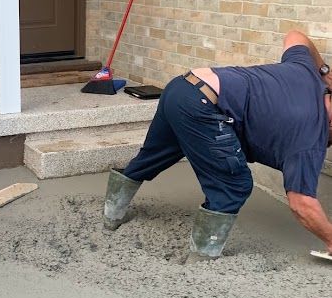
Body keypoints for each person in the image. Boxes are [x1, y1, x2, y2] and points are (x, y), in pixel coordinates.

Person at [103, 30, 332, 260]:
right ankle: (202, 258)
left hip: (181, 87)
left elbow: (295, 36)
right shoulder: (310, 136)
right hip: (203, 106)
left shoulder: (305, 70)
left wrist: (324, 70)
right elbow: (302, 203)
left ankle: (111, 215)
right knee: (233, 185)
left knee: (154, 155)